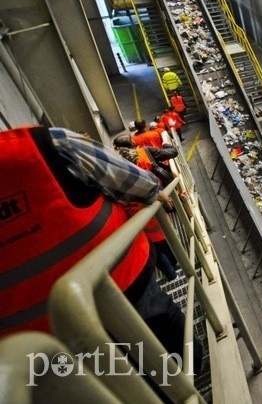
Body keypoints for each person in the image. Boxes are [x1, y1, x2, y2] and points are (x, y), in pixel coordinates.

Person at [0, 126, 196, 369]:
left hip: (42, 340)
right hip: (120, 285)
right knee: (173, 349)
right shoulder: (45, 143)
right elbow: (136, 182)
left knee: (116, 375)